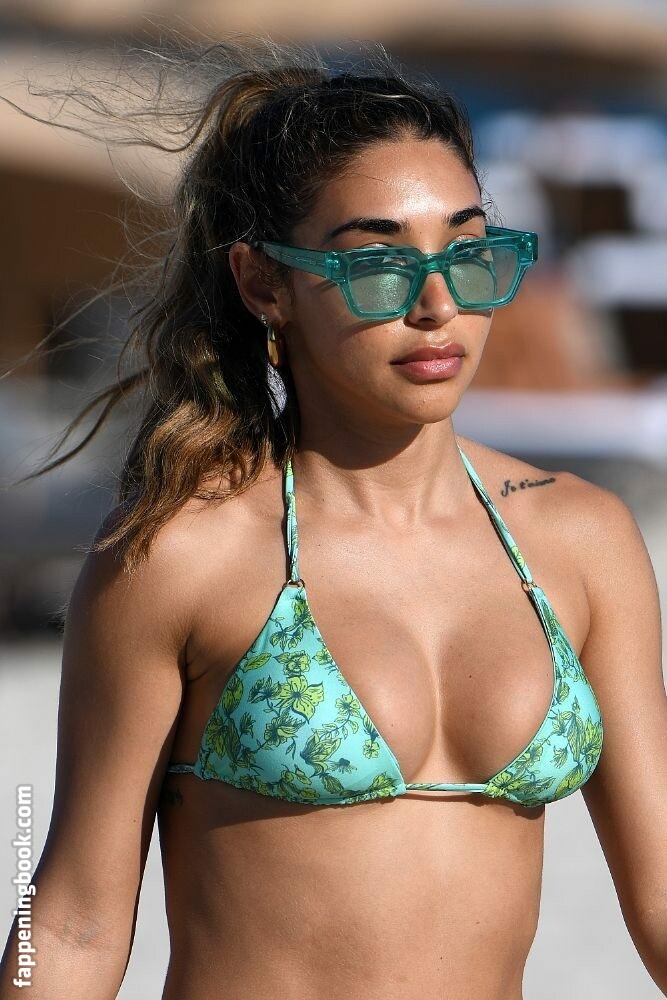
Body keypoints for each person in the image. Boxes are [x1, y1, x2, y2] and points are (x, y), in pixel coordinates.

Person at [1, 36, 665, 1000]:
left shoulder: (579, 540)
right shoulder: (181, 553)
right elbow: (69, 920)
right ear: (263, 283)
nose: (437, 305)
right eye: (377, 263)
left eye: (467, 251)